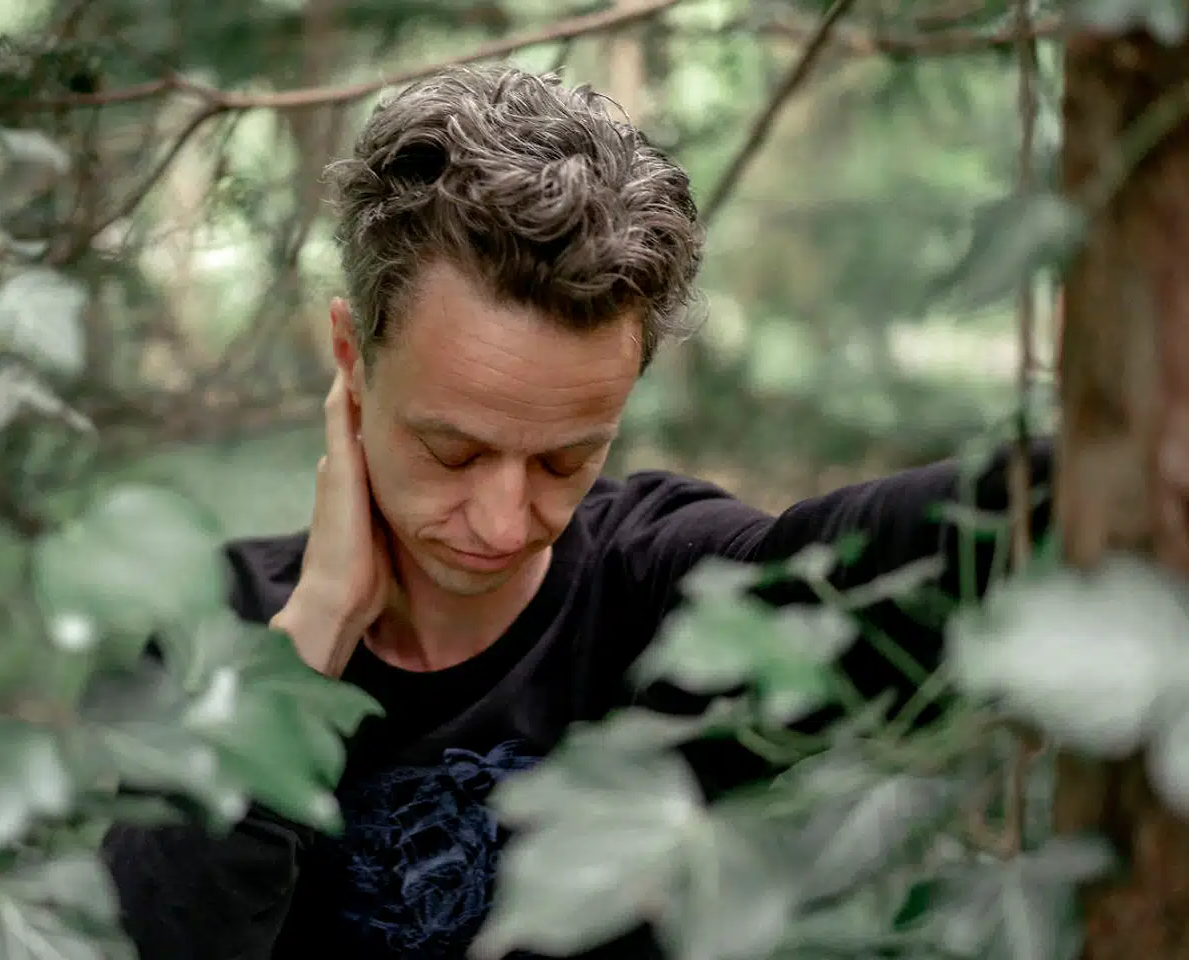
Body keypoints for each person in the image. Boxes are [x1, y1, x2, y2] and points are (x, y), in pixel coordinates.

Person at [104, 63, 1053, 960]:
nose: (504, 524)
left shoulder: (659, 592)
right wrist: (313, 629)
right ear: (353, 362)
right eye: (453, 451)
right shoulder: (215, 627)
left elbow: (891, 554)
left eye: (566, 460)